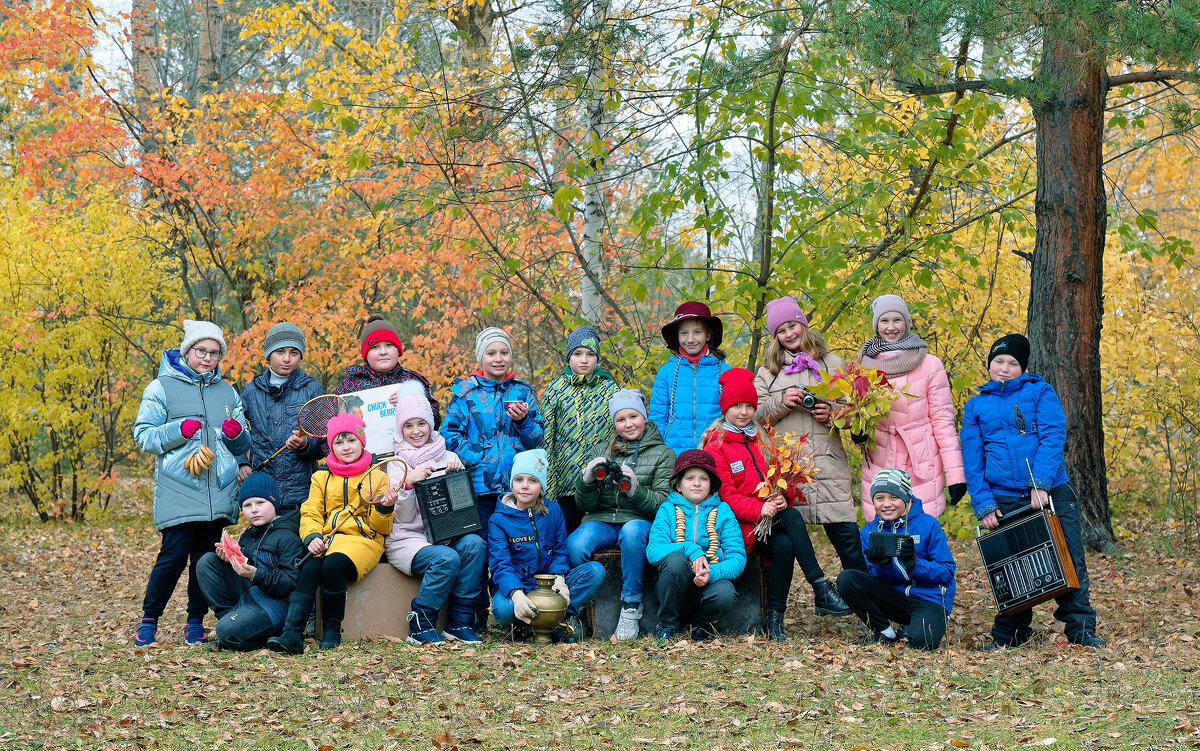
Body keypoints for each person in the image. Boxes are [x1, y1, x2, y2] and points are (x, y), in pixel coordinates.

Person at [962, 334, 1104, 649]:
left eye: (1012, 363)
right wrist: (984, 503)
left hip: (1052, 491)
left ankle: (1080, 630)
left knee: (1069, 557)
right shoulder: (975, 406)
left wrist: (1039, 485)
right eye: (998, 361)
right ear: (989, 365)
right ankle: (1009, 635)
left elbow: (1054, 437)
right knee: (1013, 566)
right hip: (1003, 497)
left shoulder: (1040, 392)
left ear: (1022, 368)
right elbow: (971, 460)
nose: (1004, 368)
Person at [703, 368, 851, 639]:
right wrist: (760, 509)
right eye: (737, 406)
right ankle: (819, 586)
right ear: (725, 407)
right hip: (736, 526)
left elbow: (782, 477)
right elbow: (724, 497)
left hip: (768, 521)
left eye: (749, 405)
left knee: (784, 545)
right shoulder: (717, 444)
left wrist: (784, 497)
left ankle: (774, 621)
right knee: (793, 519)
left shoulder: (762, 438)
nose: (744, 412)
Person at [132, 320, 252, 646]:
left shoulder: (227, 392)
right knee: (172, 557)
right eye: (202, 351)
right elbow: (144, 436)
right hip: (178, 488)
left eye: (214, 353)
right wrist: (177, 431)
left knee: (204, 561)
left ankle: (195, 622)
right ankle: (149, 621)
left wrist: (237, 435)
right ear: (188, 350)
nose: (208, 358)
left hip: (218, 492)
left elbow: (243, 446)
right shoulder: (161, 388)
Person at [753, 296, 868, 576]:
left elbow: (854, 411)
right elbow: (754, 414)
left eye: (793, 326)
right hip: (787, 469)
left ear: (803, 325)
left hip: (827, 463)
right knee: (784, 543)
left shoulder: (831, 363)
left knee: (848, 540)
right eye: (781, 330)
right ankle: (799, 598)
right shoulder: (768, 371)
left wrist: (832, 413)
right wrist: (782, 400)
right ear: (775, 337)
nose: (789, 334)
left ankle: (869, 608)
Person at [267, 413, 397, 654]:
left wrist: (384, 508)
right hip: (329, 539)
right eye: (338, 442)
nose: (345, 447)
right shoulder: (321, 477)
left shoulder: (377, 477)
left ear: (362, 442)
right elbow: (311, 512)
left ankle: (332, 629)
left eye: (351, 440)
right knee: (310, 568)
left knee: (333, 565)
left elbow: (381, 528)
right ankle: (292, 633)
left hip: (363, 541)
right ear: (330, 446)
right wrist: (313, 536)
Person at [443, 326, 544, 631]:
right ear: (481, 357)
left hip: (517, 490)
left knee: (515, 548)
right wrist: (480, 454)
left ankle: (517, 608)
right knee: (481, 550)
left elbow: (537, 440)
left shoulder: (523, 392)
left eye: (504, 353)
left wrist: (524, 421)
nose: (498, 359)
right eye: (491, 353)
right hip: (479, 488)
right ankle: (475, 615)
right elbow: (449, 437)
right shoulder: (465, 394)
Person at [568, 389, 675, 641]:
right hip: (602, 518)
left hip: (639, 520)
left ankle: (631, 605)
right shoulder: (601, 450)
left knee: (632, 531)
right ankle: (577, 608)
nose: (628, 424)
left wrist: (635, 490)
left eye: (634, 417)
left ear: (644, 417)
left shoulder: (663, 454)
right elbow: (586, 504)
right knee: (576, 543)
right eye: (621, 419)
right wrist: (586, 481)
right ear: (614, 423)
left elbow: (663, 504)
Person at [383, 393, 485, 645]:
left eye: (421, 424)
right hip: (408, 538)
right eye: (408, 425)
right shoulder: (396, 463)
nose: (416, 431)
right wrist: (409, 483)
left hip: (445, 532)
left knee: (474, 544)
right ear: (400, 429)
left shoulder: (449, 457)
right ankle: (421, 624)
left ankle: (459, 622)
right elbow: (402, 517)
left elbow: (462, 510)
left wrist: (455, 481)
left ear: (431, 425)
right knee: (446, 557)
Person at [854, 294, 966, 519]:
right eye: (884, 321)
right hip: (879, 459)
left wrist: (956, 476)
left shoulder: (929, 363)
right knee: (883, 540)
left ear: (906, 322)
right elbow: (857, 416)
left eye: (898, 320)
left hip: (920, 460)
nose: (891, 327)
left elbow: (943, 422)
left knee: (921, 537)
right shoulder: (863, 364)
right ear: (876, 326)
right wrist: (858, 432)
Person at [488, 449, 605, 643]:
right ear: (512, 484)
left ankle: (555, 622)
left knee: (595, 571)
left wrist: (559, 579)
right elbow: (500, 564)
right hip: (520, 586)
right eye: (519, 480)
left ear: (542, 487)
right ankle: (525, 626)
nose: (525, 486)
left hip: (549, 585)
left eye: (533, 481)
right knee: (504, 609)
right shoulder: (498, 520)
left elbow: (560, 551)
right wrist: (516, 594)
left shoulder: (554, 511)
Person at [837, 468, 956, 650]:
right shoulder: (869, 532)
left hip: (928, 598)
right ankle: (884, 632)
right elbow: (875, 578)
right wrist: (881, 564)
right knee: (847, 579)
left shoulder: (928, 524)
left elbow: (947, 571)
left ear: (906, 498)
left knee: (922, 643)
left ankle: (923, 624)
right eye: (880, 498)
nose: (886, 504)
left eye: (894, 497)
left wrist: (914, 565)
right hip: (895, 598)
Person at [196, 472, 305, 650]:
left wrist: (256, 575)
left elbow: (292, 583)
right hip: (247, 595)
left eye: (260, 503)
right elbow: (244, 565)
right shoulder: (249, 533)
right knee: (207, 561)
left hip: (274, 605)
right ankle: (229, 618)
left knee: (225, 631)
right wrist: (228, 559)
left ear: (274, 503)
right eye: (247, 505)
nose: (254, 509)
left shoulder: (288, 536)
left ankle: (247, 634)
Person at [645, 450, 746, 640]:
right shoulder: (667, 509)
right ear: (678, 485)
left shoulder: (723, 511)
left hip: (707, 586)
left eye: (704, 478)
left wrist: (711, 574)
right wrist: (691, 549)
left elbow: (737, 558)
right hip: (672, 586)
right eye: (690, 478)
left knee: (725, 593)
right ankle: (667, 624)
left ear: (711, 485)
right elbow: (653, 551)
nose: (697, 483)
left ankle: (701, 626)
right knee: (675, 560)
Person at [240, 322, 325, 528]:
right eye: (280, 351)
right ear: (269, 354)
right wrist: (241, 462)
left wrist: (304, 445)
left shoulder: (311, 389)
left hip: (300, 492)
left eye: (294, 352)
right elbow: (235, 431)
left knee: (291, 549)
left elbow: (323, 441)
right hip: (262, 492)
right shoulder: (251, 391)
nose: (287, 359)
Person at [541, 324, 620, 533]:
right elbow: (547, 440)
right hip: (566, 483)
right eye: (577, 354)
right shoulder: (555, 390)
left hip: (602, 482)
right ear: (568, 357)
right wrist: (550, 487)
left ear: (597, 358)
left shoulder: (610, 390)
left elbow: (619, 435)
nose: (584, 360)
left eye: (590, 354)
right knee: (566, 537)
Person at [649, 302, 731, 457]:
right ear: (677, 336)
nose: (690, 339)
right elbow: (657, 419)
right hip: (675, 454)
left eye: (697, 332)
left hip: (716, 453)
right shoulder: (666, 373)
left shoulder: (725, 372)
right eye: (684, 333)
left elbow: (733, 417)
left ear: (707, 335)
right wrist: (660, 453)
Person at [334, 314, 440, 426]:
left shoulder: (414, 381)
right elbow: (328, 428)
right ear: (366, 354)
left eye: (389, 345)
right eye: (375, 347)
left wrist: (412, 403)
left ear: (398, 350)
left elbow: (436, 421)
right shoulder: (349, 386)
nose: (383, 352)